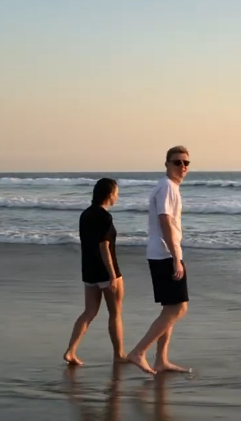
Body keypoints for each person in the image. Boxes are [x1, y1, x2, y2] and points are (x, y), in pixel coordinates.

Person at [126, 146, 192, 375]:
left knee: (170, 307)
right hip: (165, 254)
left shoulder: (169, 187)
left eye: (186, 163)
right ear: (166, 164)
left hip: (161, 253)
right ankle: (138, 352)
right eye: (177, 162)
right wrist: (176, 257)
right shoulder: (167, 187)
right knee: (178, 308)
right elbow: (165, 221)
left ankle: (161, 359)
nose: (182, 167)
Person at [64, 178, 124, 366]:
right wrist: (112, 274)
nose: (118, 196)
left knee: (89, 312)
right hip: (105, 271)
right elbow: (104, 246)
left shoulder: (86, 214)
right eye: (117, 192)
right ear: (110, 194)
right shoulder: (105, 217)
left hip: (89, 271)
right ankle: (119, 354)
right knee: (115, 313)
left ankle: (71, 351)